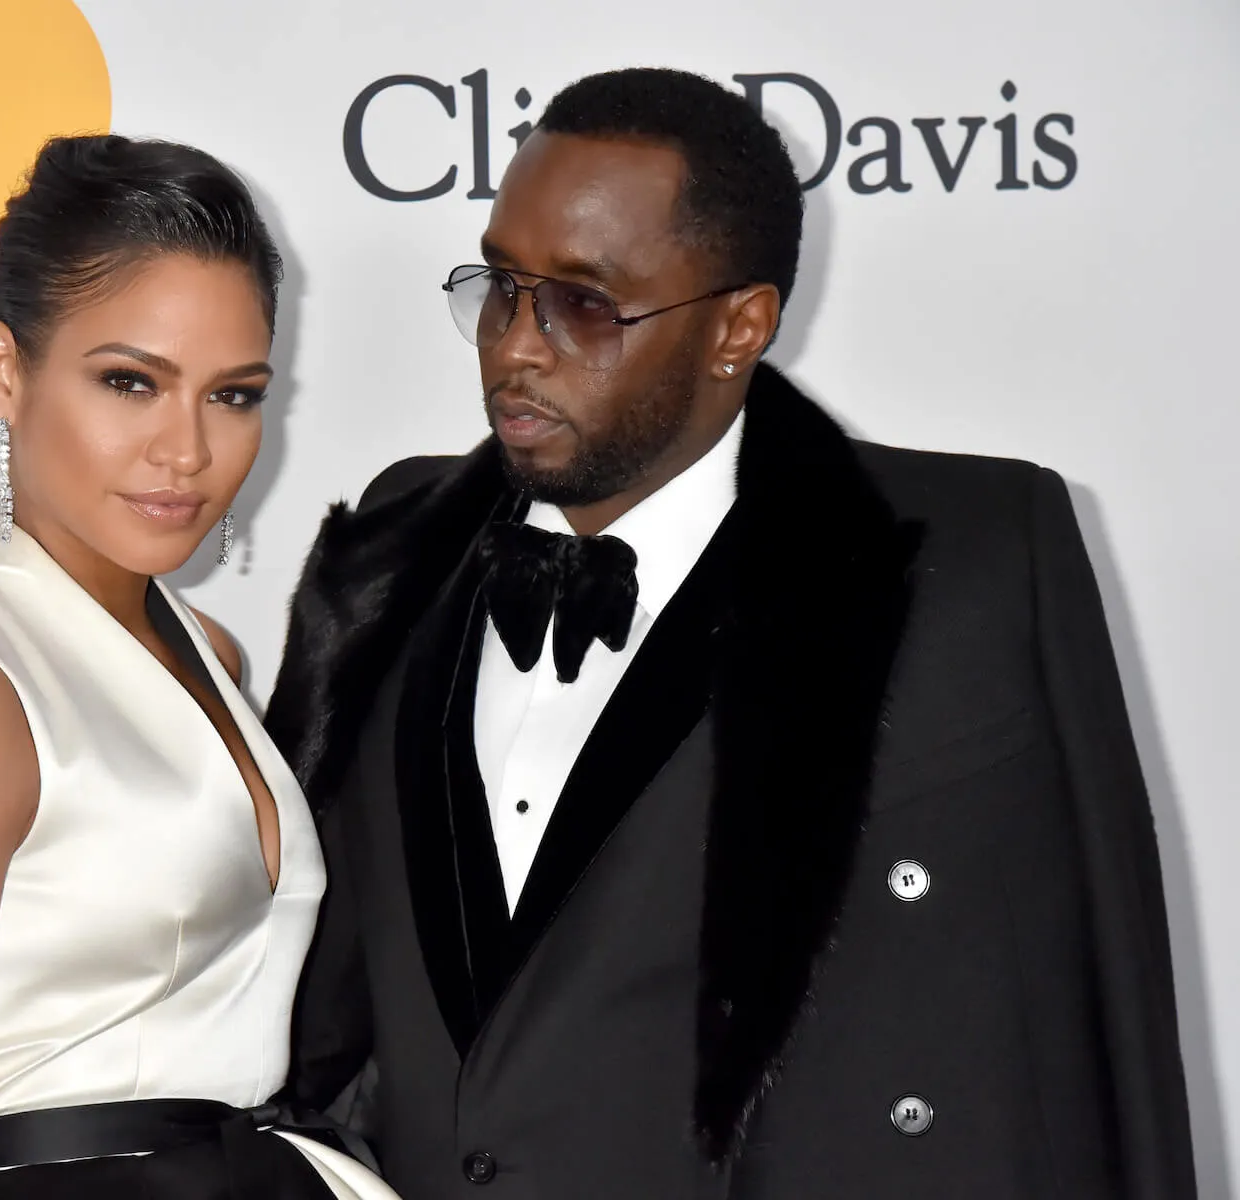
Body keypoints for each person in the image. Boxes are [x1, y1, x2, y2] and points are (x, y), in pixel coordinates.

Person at [267, 68, 1200, 1199]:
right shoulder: (391, 555)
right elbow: (311, 1017)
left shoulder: (974, 561)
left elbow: (1090, 1025)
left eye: (583, 303)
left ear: (737, 328)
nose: (515, 346)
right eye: (500, 287)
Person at [0, 135, 398, 1200]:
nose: (186, 450)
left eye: (232, 394)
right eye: (131, 382)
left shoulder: (206, 652)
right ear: (3, 371)